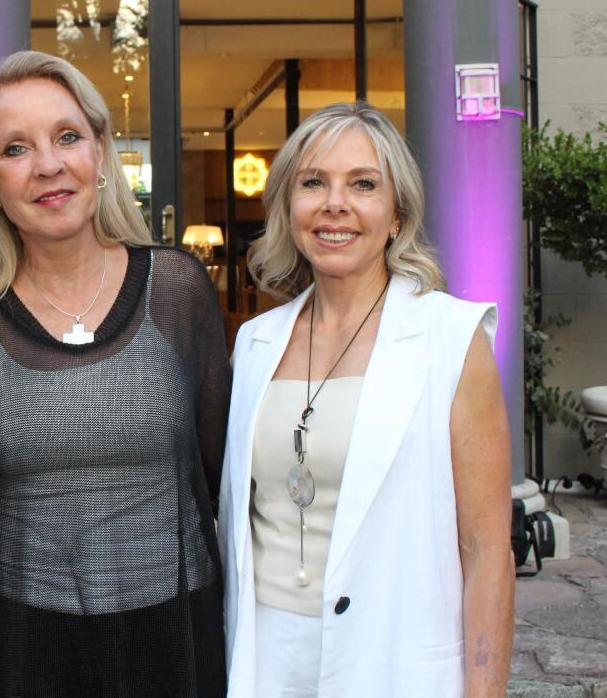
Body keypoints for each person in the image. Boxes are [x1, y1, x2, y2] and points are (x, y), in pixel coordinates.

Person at [0, 50, 230, 698]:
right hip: (27, 657)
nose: (48, 165)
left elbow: (217, 478)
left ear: (100, 152)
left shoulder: (177, 290)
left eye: (68, 137)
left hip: (175, 645)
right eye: (15, 148)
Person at [218, 101, 514, 697]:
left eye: (362, 184)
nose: (335, 204)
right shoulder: (254, 343)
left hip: (395, 660)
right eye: (312, 183)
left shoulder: (449, 340)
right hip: (265, 658)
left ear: (396, 212)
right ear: (288, 207)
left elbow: (487, 552)